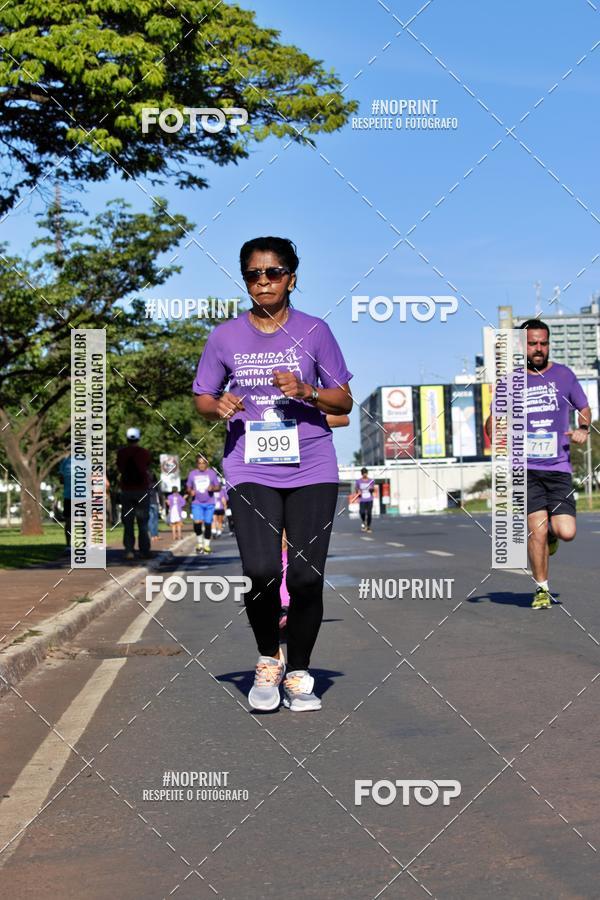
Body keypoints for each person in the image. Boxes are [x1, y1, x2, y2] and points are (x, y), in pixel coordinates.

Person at [193, 236, 352, 712]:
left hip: (312, 463)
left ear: (292, 278)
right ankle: (268, 660)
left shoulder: (316, 331)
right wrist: (216, 404)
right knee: (261, 571)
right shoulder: (224, 337)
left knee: (305, 577)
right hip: (249, 464)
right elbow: (203, 395)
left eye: (273, 273)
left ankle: (299, 672)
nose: (264, 281)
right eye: (254, 275)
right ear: (245, 281)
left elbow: (342, 399)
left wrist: (308, 390)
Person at [486, 320, 591, 609]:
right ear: (523, 345)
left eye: (543, 343)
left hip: (558, 468)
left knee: (566, 531)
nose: (538, 349)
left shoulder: (564, 375)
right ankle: (541, 589)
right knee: (537, 530)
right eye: (533, 343)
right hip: (525, 470)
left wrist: (583, 428)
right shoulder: (510, 381)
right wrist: (494, 429)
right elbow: (493, 418)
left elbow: (583, 408)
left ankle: (554, 537)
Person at [116, 427, 152, 560]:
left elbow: (120, 467)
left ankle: (129, 550)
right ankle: (144, 550)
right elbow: (147, 467)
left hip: (126, 490)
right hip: (142, 490)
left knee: (128, 522)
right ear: (138, 438)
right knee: (143, 522)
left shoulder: (121, 453)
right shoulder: (144, 452)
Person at [185, 455, 220, 554]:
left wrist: (212, 488)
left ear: (206, 463)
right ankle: (199, 543)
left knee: (208, 524)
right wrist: (190, 491)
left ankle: (207, 545)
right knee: (197, 523)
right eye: (199, 463)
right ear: (196, 464)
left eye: (203, 463)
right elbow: (188, 487)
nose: (201, 465)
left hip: (209, 503)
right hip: (197, 503)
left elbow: (218, 487)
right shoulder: (192, 474)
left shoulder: (212, 474)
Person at [58, 455, 72, 550]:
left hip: (69, 495)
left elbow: (61, 480)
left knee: (69, 522)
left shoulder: (65, 462)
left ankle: (68, 545)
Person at [354, 467, 375, 532]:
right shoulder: (358, 481)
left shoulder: (371, 481)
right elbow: (356, 489)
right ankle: (363, 521)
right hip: (362, 499)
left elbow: (373, 489)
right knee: (362, 512)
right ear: (361, 474)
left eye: (365, 473)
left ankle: (368, 527)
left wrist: (371, 489)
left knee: (369, 513)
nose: (364, 475)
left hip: (369, 499)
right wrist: (358, 492)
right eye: (363, 473)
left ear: (367, 473)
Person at [148, 472, 161, 542]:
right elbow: (160, 493)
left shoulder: (145, 484)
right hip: (154, 502)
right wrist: (161, 503)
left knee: (150, 520)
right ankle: (155, 535)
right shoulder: (156, 483)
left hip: (147, 503)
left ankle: (153, 536)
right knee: (155, 520)